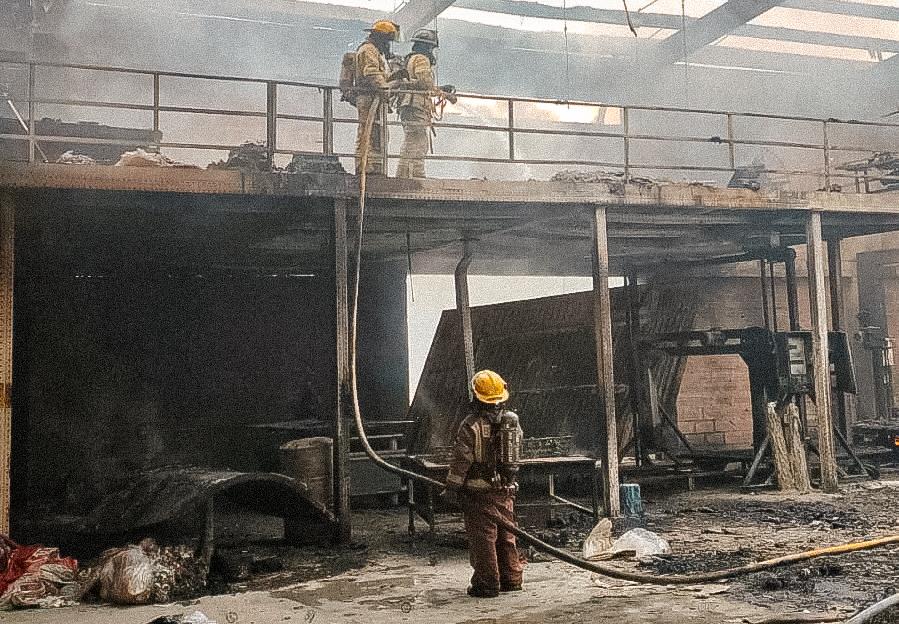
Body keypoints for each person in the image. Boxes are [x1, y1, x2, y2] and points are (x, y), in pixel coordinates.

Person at [442, 370, 524, 598]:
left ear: (477, 397)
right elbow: (517, 454)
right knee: (507, 535)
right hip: (505, 490)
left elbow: (461, 461)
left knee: (484, 539)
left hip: (479, 494)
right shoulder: (512, 423)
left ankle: (487, 585)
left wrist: (451, 488)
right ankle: (512, 579)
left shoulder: (471, 425)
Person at [395, 29, 454, 179]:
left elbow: (418, 83)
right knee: (418, 141)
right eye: (432, 48)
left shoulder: (411, 58)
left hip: (409, 105)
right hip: (416, 105)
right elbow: (424, 83)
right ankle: (414, 176)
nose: (432, 52)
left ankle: (407, 174)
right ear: (427, 47)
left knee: (412, 140)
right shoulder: (421, 59)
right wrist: (443, 93)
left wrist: (440, 90)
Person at [354, 20, 400, 176]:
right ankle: (366, 168)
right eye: (387, 41)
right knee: (368, 132)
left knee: (377, 133)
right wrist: (386, 89)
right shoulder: (368, 50)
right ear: (380, 38)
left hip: (374, 98)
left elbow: (378, 75)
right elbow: (372, 74)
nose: (388, 45)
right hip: (369, 98)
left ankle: (375, 167)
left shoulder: (373, 51)